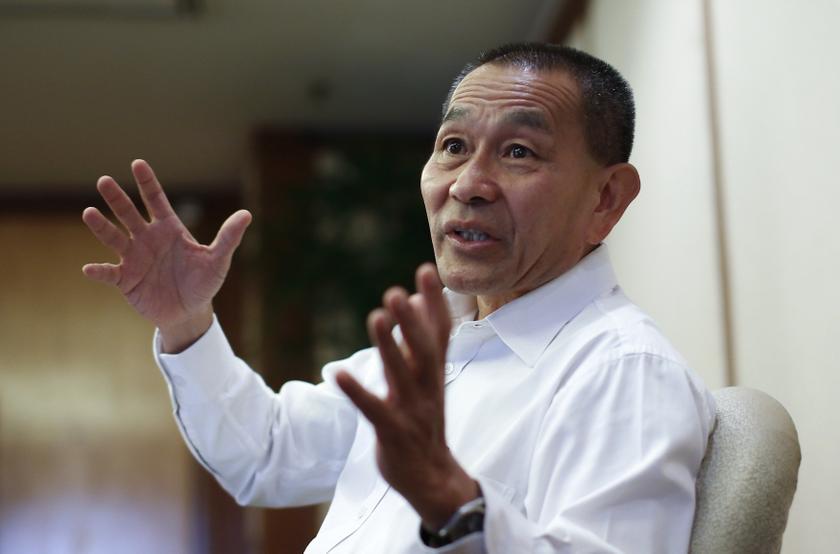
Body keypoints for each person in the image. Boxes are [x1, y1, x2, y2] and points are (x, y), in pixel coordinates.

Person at [82, 43, 715, 552]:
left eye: (519, 152)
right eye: (453, 147)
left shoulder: (623, 370)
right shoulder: (436, 339)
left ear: (606, 198)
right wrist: (186, 321)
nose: (468, 184)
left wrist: (456, 506)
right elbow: (267, 454)